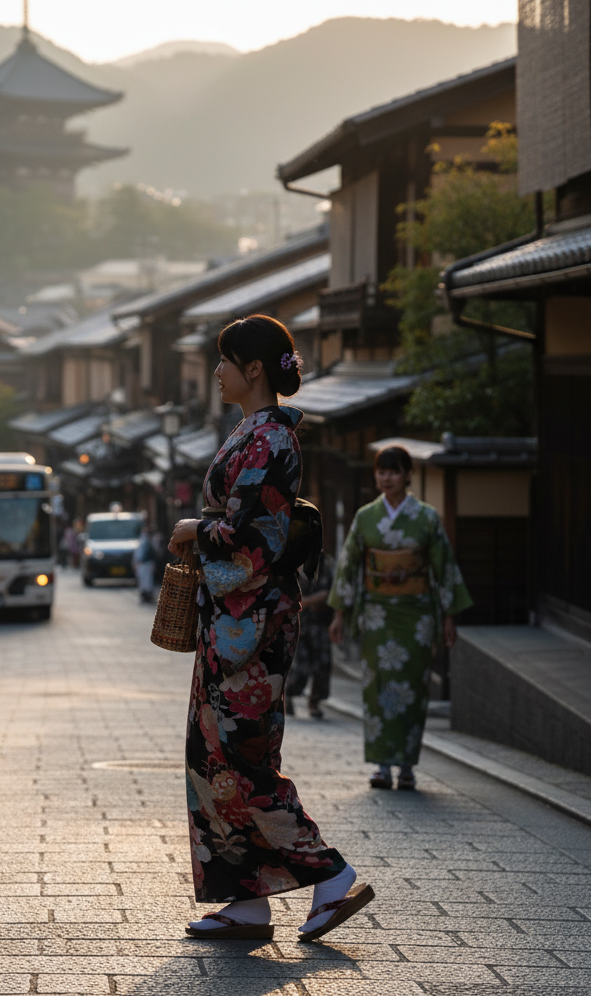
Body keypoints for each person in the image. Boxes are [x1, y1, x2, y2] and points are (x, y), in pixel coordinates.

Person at [169, 314, 373, 942]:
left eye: (225, 360)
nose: (218, 371)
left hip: (251, 624)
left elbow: (259, 534)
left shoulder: (267, 440)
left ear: (253, 370)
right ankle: (247, 899)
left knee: (240, 756)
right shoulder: (256, 433)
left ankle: (331, 874)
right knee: (213, 752)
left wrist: (195, 532)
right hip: (237, 620)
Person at [328, 445, 473, 791]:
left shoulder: (427, 518)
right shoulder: (365, 517)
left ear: (409, 475)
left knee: (412, 687)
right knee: (377, 687)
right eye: (381, 470)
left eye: (393, 471)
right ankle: (382, 766)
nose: (386, 477)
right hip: (378, 614)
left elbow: (444, 568)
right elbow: (349, 566)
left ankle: (406, 765)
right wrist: (339, 614)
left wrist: (448, 616)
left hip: (417, 615)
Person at [286, 555, 334, 719]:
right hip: (299, 623)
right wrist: (308, 601)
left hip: (321, 624)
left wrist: (309, 601)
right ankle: (287, 697)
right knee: (299, 666)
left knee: (322, 664)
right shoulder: (295, 561)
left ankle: (314, 701)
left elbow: (331, 593)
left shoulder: (327, 564)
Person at [132, 523, 156, 604]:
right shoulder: (140, 541)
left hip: (148, 563)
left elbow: (152, 555)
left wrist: (153, 564)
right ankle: (143, 595)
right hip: (141, 563)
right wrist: (135, 562)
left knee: (148, 581)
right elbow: (137, 554)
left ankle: (148, 596)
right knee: (142, 580)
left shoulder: (150, 542)